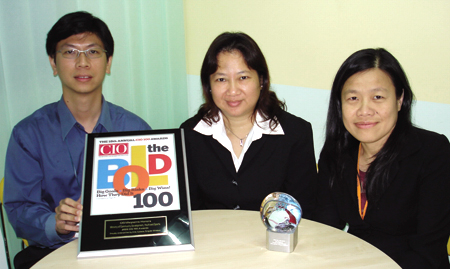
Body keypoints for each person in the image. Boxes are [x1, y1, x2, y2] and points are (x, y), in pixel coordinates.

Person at [3, 11, 151, 268]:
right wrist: (55, 223)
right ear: (53, 62)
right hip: (53, 253)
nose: (82, 62)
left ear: (108, 62)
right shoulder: (28, 134)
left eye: (93, 52)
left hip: (123, 252)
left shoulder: (135, 128)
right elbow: (19, 208)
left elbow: (155, 202)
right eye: (70, 52)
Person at [314, 48, 450, 268]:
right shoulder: (336, 153)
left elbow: (429, 251)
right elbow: (325, 229)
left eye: (377, 97)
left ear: (399, 99)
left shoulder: (432, 152)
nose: (364, 110)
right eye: (353, 98)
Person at [180, 32, 317, 218]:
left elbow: (303, 210)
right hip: (211, 241)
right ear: (209, 86)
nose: (233, 90)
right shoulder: (189, 134)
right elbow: (189, 212)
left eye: (243, 77)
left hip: (272, 242)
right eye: (221, 79)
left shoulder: (295, 133)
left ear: (261, 80)